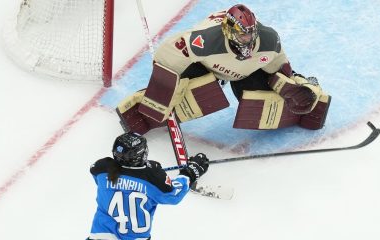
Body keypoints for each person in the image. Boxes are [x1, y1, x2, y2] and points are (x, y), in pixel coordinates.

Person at [116, 4, 331, 135]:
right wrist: (162, 91)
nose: (247, 40)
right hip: (206, 66)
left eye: (250, 34)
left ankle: (309, 87)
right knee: (192, 92)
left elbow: (280, 67)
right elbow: (166, 56)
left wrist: (290, 86)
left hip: (245, 71)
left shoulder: (268, 39)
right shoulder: (204, 40)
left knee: (259, 99)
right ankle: (142, 105)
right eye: (242, 36)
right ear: (228, 31)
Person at [87, 132, 209, 240]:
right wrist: (191, 173)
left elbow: (103, 179)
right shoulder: (152, 177)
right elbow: (173, 195)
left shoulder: (101, 168)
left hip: (100, 236)